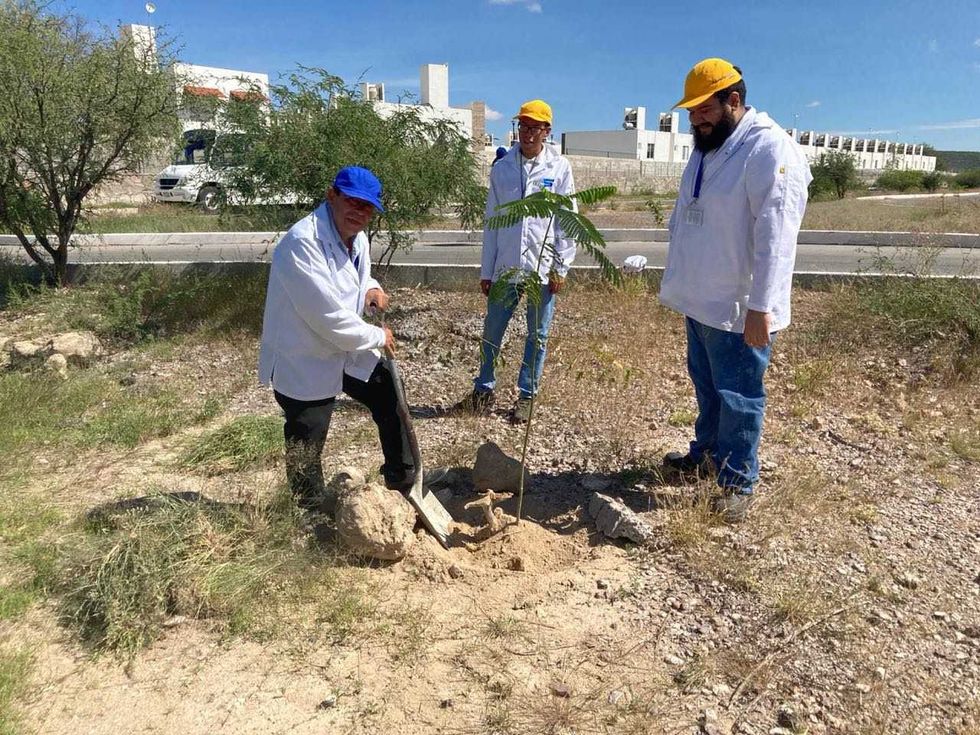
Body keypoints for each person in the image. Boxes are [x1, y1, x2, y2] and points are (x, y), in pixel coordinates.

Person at [659, 58, 812, 521]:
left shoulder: (768, 149)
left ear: (734, 101)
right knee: (706, 387)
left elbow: (777, 234)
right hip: (700, 299)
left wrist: (760, 307)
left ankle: (737, 481)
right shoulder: (709, 146)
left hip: (738, 305)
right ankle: (705, 455)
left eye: (704, 110)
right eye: (691, 112)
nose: (695, 120)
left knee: (739, 394)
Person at [258, 166, 441, 514]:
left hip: (342, 351)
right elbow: (327, 317)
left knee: (388, 394)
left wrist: (371, 287)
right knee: (307, 437)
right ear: (332, 196)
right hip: (304, 356)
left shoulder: (356, 236)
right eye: (353, 202)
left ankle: (403, 485)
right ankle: (308, 513)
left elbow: (360, 274)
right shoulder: (302, 243)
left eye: (368, 207)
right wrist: (377, 334)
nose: (360, 212)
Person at [463, 99, 577, 424]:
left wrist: (560, 267)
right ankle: (483, 388)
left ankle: (527, 395)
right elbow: (492, 222)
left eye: (534, 127)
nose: (526, 133)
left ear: (546, 131)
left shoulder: (559, 169)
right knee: (492, 330)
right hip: (505, 269)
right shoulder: (502, 169)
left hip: (541, 271)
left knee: (537, 335)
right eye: (522, 126)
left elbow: (566, 221)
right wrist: (488, 270)